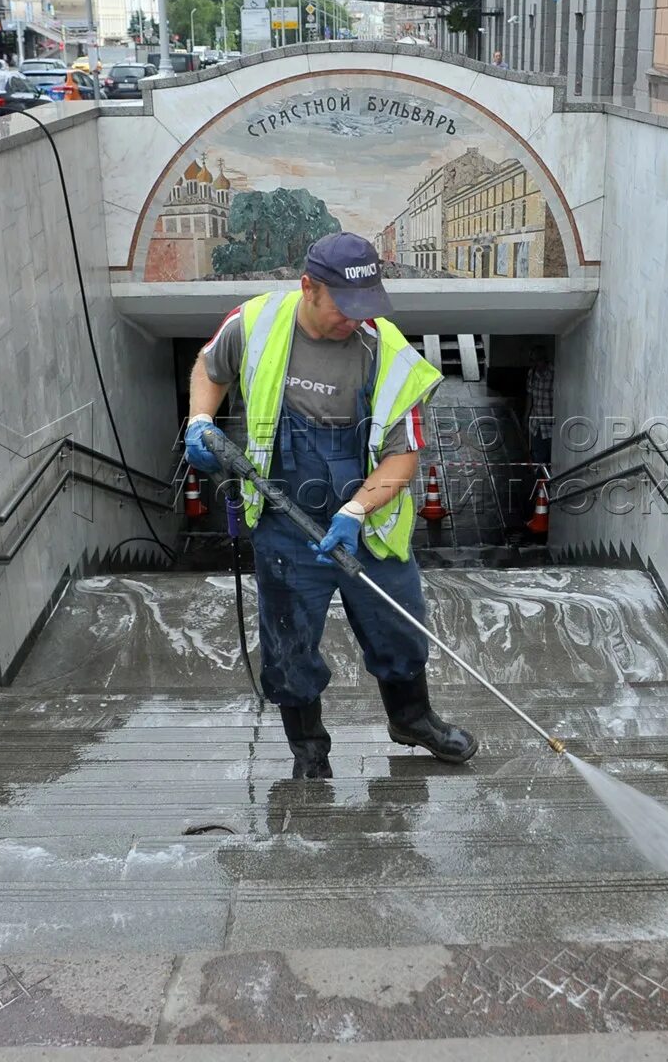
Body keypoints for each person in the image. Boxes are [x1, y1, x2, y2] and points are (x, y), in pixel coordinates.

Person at [183, 232, 478, 779]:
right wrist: (200, 419)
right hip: (282, 516)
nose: (356, 320)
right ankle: (309, 751)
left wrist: (355, 512)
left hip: (366, 518)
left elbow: (402, 458)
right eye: (345, 305)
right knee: (288, 641)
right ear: (308, 288)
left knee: (399, 624)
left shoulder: (384, 351)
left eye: (367, 305)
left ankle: (412, 718)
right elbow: (210, 367)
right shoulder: (255, 322)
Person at [525, 346, 553, 468]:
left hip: (551, 423)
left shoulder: (554, 373)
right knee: (537, 456)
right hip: (536, 422)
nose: (535, 364)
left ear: (544, 360)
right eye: (533, 361)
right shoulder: (532, 374)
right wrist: (526, 416)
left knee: (550, 456)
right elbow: (530, 395)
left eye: (537, 361)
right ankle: (539, 482)